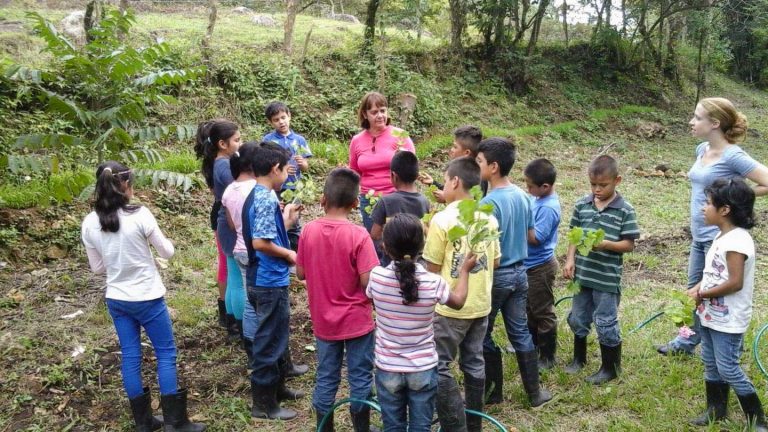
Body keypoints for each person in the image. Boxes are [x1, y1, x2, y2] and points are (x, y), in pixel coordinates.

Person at [81, 161, 205, 432]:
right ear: (126, 184)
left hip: (117, 299)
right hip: (148, 297)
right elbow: (167, 253)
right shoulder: (140, 215)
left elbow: (97, 268)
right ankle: (175, 422)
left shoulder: (90, 222)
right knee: (165, 353)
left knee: (131, 356)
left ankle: (144, 422)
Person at [655, 97, 768, 356]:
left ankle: (727, 346)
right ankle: (687, 342)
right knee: (695, 288)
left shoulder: (733, 156)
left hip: (720, 239)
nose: (691, 122)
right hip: (699, 235)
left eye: (697, 117)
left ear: (715, 123)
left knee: (717, 292)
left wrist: (737, 196)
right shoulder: (701, 149)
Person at [367, 213, 476, 432]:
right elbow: (459, 302)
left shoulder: (376, 277)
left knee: (393, 426)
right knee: (421, 427)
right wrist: (464, 271)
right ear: (422, 247)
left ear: (386, 247)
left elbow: (372, 299)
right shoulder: (434, 283)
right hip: (423, 368)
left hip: (388, 367)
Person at [296, 168, 381, 432]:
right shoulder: (358, 235)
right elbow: (369, 281)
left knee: (326, 377)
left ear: (323, 199)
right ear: (356, 203)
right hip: (357, 321)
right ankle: (362, 429)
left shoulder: (308, 230)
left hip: (324, 321)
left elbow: (300, 273)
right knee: (360, 376)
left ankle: (325, 428)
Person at [423, 157, 500, 432]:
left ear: (454, 181)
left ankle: (454, 424)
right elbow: (495, 261)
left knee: (439, 365)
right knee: (473, 363)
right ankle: (474, 424)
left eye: (445, 179)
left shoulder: (441, 220)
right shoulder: (488, 218)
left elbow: (431, 269)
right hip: (480, 305)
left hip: (449, 308)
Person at [476, 138, 552, 408]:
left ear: (493, 167)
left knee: (482, 332)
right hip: (521, 273)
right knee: (520, 331)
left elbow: (486, 248)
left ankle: (493, 391)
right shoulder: (523, 195)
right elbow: (531, 235)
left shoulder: (489, 204)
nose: (477, 165)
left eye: (480, 161)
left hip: (498, 276)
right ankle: (535, 394)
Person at [687, 178, 767, 431]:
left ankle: (757, 419)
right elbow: (714, 273)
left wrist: (705, 293)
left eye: (708, 203)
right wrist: (700, 286)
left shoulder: (737, 241)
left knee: (728, 368)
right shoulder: (722, 236)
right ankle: (716, 410)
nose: (703, 208)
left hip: (729, 319)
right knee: (710, 363)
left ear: (725, 210)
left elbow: (735, 282)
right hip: (711, 314)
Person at [563, 155, 640, 385]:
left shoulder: (625, 210)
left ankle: (610, 367)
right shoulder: (582, 205)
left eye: (603, 185)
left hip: (606, 278)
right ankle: (579, 359)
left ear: (617, 180)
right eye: (593, 184)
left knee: (605, 321)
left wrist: (606, 244)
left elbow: (629, 244)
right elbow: (574, 235)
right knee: (578, 317)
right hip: (583, 275)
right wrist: (570, 259)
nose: (597, 189)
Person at [243, 142, 304, 421]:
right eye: (285, 170)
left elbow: (266, 233)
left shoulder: (257, 194)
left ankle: (277, 389)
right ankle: (263, 404)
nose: (287, 175)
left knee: (276, 336)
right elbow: (260, 242)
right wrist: (290, 253)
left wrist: (287, 223)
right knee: (269, 341)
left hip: (262, 278)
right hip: (268, 281)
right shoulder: (266, 198)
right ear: (274, 169)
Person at [194, 119, 242, 341]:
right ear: (222, 143)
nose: (240, 143)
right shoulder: (223, 166)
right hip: (229, 221)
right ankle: (238, 325)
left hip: (224, 219)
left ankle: (232, 320)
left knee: (231, 271)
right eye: (237, 140)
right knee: (234, 275)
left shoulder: (217, 162)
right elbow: (236, 193)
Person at [349, 91, 416, 233]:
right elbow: (354, 171)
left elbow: (412, 169)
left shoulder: (400, 136)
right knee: (375, 243)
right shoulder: (357, 141)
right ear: (365, 115)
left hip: (396, 197)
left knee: (397, 241)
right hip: (369, 199)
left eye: (383, 111)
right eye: (374, 112)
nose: (380, 116)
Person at [221, 142, 259, 365]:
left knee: (247, 298)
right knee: (260, 302)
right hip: (255, 251)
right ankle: (260, 345)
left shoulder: (229, 190)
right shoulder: (255, 189)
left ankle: (250, 344)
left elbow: (232, 225)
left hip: (239, 249)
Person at [523, 158, 561, 369]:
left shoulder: (549, 208)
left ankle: (547, 356)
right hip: (529, 265)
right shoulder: (538, 199)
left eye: (530, 186)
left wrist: (522, 222)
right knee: (530, 308)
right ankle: (533, 345)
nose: (527, 189)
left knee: (543, 311)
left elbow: (537, 237)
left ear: (545, 186)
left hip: (540, 267)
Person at [263, 101, 312, 252]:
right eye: (276, 120)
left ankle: (295, 254)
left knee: (294, 221)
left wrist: (302, 163)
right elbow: (264, 165)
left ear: (289, 116)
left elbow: (306, 167)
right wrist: (281, 169)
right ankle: (279, 251)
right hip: (276, 189)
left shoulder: (299, 140)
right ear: (270, 122)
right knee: (276, 219)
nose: (281, 122)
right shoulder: (268, 140)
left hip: (294, 187)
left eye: (283, 117)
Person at [370, 150, 430, 265]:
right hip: (417, 262)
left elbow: (375, 234)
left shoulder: (385, 201)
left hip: (391, 262)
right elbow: (426, 233)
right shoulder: (424, 201)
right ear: (417, 176)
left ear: (394, 176)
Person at [419, 125, 485, 203]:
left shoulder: (479, 177)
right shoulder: (459, 169)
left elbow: (472, 206)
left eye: (455, 147)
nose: (451, 150)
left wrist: (446, 198)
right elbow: (453, 190)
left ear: (466, 153)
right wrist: (433, 183)